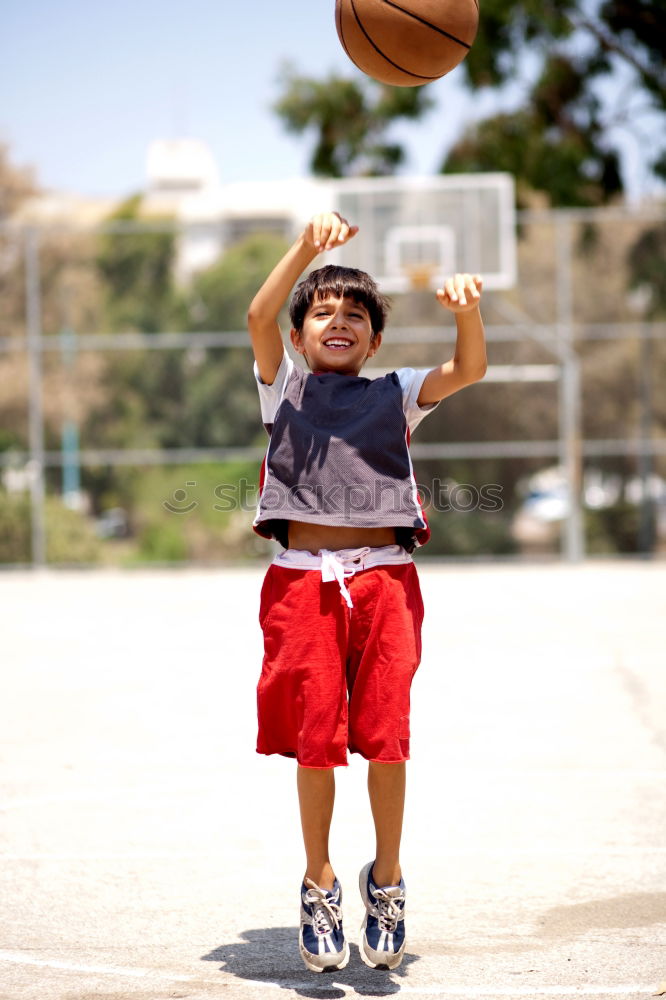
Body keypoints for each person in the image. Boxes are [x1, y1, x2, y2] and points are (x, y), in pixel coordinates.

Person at [247, 211, 487, 973]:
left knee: (387, 735)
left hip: (386, 581)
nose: (339, 321)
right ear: (301, 335)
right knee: (317, 740)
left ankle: (386, 877)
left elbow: (469, 370)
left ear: (375, 341)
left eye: (355, 315)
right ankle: (318, 879)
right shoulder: (282, 388)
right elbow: (257, 312)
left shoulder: (398, 392)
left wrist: (467, 313)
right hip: (302, 587)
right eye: (323, 312)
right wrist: (308, 248)